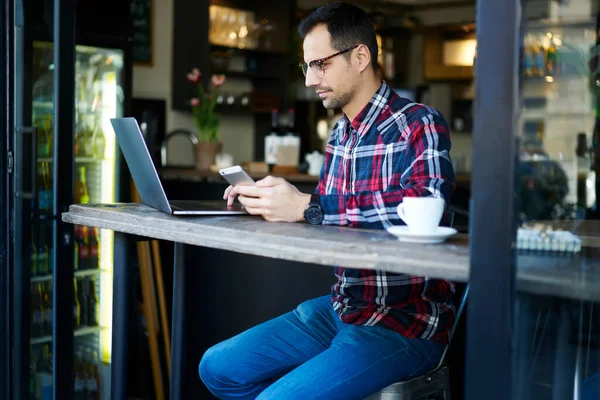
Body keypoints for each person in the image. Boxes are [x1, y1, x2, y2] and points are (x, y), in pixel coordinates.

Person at [199, 2, 456, 399]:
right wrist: (270, 203)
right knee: (217, 368)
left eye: (320, 64)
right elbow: (333, 218)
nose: (310, 80)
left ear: (360, 56)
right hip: (341, 309)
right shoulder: (339, 135)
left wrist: (308, 206)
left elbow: (425, 202)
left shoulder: (419, 122)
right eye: (307, 67)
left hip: (403, 321)